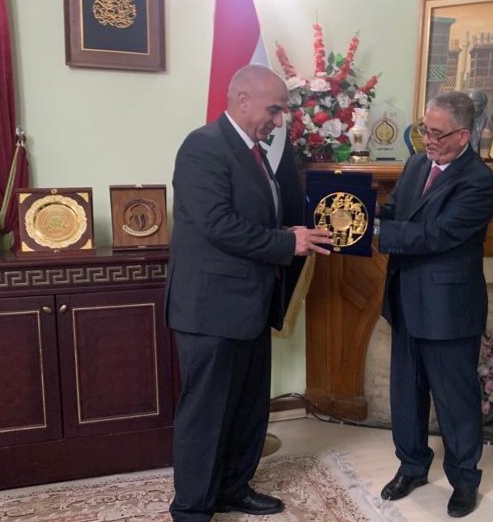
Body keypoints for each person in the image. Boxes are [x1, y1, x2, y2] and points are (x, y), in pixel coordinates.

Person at [165, 64, 331, 522]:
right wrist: (285, 244)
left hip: (250, 305)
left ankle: (233, 489)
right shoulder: (203, 146)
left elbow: (252, 217)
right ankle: (192, 509)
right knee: (206, 414)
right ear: (242, 100)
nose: (279, 120)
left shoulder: (253, 152)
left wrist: (288, 232)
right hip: (210, 309)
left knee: (246, 409)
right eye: (274, 110)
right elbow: (217, 223)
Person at [376, 90, 493, 518]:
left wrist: (377, 235)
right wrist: (354, 215)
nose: (427, 140)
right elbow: (395, 212)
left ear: (463, 135)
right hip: (405, 300)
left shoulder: (478, 181)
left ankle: (464, 480)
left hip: (448, 309)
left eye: (436, 133)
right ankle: (411, 467)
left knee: (455, 402)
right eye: (424, 130)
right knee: (406, 396)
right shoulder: (415, 164)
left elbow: (437, 235)